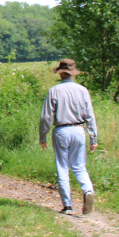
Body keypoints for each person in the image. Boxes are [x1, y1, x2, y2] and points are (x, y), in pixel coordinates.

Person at [39, 58, 98, 215]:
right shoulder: (82, 90)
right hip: (79, 129)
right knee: (79, 166)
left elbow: (46, 117)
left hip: (61, 130)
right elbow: (90, 116)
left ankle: (67, 205)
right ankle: (87, 190)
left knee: (62, 167)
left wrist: (42, 135)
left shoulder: (54, 91)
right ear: (73, 73)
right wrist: (93, 138)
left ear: (60, 73)